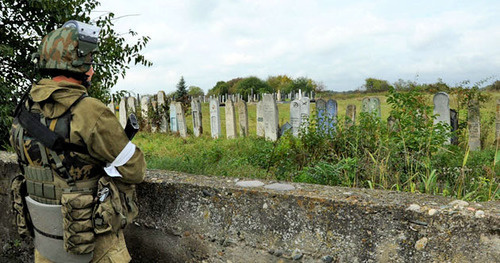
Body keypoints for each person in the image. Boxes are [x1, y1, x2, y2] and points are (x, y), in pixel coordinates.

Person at [10, 20, 146, 262]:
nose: (92, 70)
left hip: (46, 242)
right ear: (78, 65)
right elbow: (134, 169)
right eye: (90, 63)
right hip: (94, 242)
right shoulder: (90, 111)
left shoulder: (24, 109)